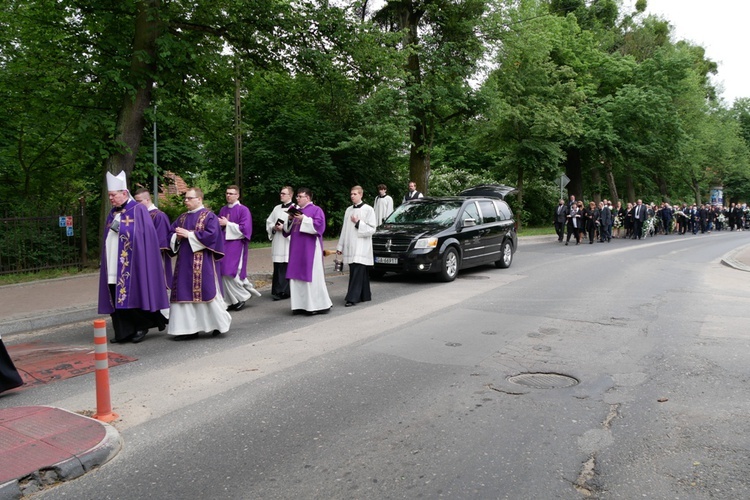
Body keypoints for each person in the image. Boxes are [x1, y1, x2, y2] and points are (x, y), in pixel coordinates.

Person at [98, 171, 169, 344]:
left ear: (124, 193)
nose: (111, 199)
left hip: (133, 262)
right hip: (113, 261)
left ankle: (141, 326)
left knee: (133, 294)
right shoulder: (112, 212)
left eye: (113, 195)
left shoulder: (138, 210)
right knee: (115, 295)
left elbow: (145, 236)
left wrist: (121, 226)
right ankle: (124, 331)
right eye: (109, 196)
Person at [168, 188, 232, 340]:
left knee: (207, 292)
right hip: (184, 262)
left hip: (202, 262)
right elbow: (170, 233)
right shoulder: (182, 218)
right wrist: (176, 238)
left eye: (189, 198)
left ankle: (218, 325)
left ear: (199, 199)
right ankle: (188, 329)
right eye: (185, 198)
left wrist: (189, 234)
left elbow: (212, 236)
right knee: (184, 293)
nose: (186, 201)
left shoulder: (209, 216)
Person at [284, 187, 333, 315]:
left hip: (310, 248)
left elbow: (319, 227)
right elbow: (287, 231)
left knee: (311, 275)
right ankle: (299, 305)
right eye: (297, 197)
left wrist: (304, 219)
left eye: (300, 196)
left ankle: (315, 306)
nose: (297, 199)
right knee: (296, 276)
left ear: (308, 198)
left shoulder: (316, 210)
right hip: (296, 249)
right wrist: (290, 220)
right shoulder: (297, 211)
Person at [218, 185, 261, 311]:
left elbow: (245, 229)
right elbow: (219, 226)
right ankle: (232, 300)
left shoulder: (243, 210)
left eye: (231, 193)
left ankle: (242, 297)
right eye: (227, 193)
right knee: (222, 272)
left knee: (231, 271)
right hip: (223, 244)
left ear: (237, 195)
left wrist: (228, 224)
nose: (228, 195)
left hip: (236, 244)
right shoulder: (223, 209)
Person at [336, 186, 377, 307]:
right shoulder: (348, 210)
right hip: (350, 245)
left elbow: (372, 229)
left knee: (357, 270)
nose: (352, 196)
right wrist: (340, 246)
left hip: (361, 246)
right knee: (359, 270)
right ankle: (365, 294)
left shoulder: (368, 209)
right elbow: (344, 229)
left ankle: (352, 297)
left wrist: (358, 223)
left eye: (354, 194)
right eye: (351, 194)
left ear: (361, 195)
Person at [134, 188, 173, 296]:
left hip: (155, 258)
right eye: (135, 201)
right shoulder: (139, 215)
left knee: (156, 286)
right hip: (140, 256)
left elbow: (161, 241)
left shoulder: (159, 215)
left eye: (139, 201)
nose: (136, 204)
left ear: (147, 199)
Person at [265, 185, 294, 300]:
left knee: (286, 266)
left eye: (284, 193)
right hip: (278, 240)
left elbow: (296, 226)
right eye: (281, 193)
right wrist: (274, 227)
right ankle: (277, 290)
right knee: (278, 266)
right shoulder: (276, 208)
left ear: (290, 195)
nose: (281, 195)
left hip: (288, 242)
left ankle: (285, 291)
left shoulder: (295, 209)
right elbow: (269, 222)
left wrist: (285, 227)